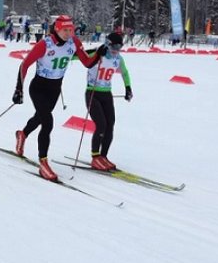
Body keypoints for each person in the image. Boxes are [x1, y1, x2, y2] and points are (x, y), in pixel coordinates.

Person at [13, 15, 97, 181]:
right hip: (38, 88)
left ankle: (22, 134)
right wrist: (18, 89)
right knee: (48, 122)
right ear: (57, 29)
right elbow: (25, 64)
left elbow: (87, 63)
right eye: (65, 30)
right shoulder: (45, 44)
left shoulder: (75, 43)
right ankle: (43, 163)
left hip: (54, 90)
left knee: (40, 117)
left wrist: (100, 53)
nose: (68, 33)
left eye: (70, 30)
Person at [85, 32, 133, 171]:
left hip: (107, 94)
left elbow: (124, 72)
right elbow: (77, 56)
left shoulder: (118, 59)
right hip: (92, 93)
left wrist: (128, 88)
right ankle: (95, 157)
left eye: (120, 47)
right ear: (107, 43)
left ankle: (103, 156)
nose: (116, 50)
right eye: (114, 46)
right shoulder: (96, 53)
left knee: (110, 125)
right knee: (101, 124)